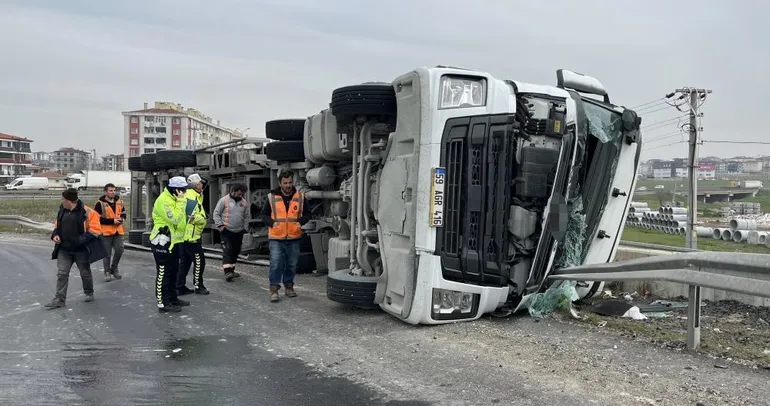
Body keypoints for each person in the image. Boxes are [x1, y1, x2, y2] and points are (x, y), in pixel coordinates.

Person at [45, 188, 104, 309]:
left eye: (63, 199)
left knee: (85, 272)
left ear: (69, 200)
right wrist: (55, 235)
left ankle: (89, 292)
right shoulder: (62, 210)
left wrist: (79, 241)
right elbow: (57, 226)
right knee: (62, 273)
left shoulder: (88, 212)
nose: (61, 201)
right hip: (64, 249)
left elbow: (96, 231)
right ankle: (59, 299)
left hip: (81, 250)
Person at [262, 170, 311, 302]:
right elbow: (264, 215)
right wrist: (272, 224)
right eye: (285, 183)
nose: (288, 185)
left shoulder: (300, 197)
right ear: (280, 183)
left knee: (291, 264)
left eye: (290, 182)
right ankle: (274, 289)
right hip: (276, 237)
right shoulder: (271, 197)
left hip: (294, 237)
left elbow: (307, 214)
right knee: (276, 263)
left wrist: (300, 223)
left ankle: (289, 287)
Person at [149, 176, 191, 313]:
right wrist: (181, 202)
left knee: (174, 271)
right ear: (175, 190)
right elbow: (174, 218)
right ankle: (163, 303)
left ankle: (173, 298)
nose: (184, 193)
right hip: (162, 242)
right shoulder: (164, 200)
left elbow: (181, 221)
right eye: (182, 190)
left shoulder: (175, 199)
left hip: (175, 242)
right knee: (163, 273)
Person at [178, 173, 210, 295]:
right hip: (190, 237)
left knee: (185, 263)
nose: (202, 185)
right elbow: (189, 217)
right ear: (195, 185)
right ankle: (198, 286)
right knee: (199, 262)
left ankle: (179, 286)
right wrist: (203, 219)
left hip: (186, 236)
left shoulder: (195, 195)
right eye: (200, 183)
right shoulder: (191, 198)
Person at [212, 183, 248, 282]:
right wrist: (220, 226)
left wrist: (245, 228)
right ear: (233, 191)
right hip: (226, 230)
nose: (241, 196)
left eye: (242, 194)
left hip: (239, 231)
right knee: (228, 250)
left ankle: (232, 270)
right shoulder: (224, 200)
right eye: (239, 194)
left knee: (235, 251)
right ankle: (228, 272)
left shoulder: (244, 203)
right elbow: (216, 213)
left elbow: (247, 216)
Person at [94, 183, 125, 281]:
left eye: (114, 190)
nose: (113, 192)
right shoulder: (100, 204)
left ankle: (114, 268)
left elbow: (123, 213)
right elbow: (97, 219)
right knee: (107, 253)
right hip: (106, 232)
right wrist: (112, 221)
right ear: (105, 192)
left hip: (118, 231)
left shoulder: (119, 201)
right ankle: (107, 272)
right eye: (111, 190)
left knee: (120, 250)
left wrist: (123, 219)